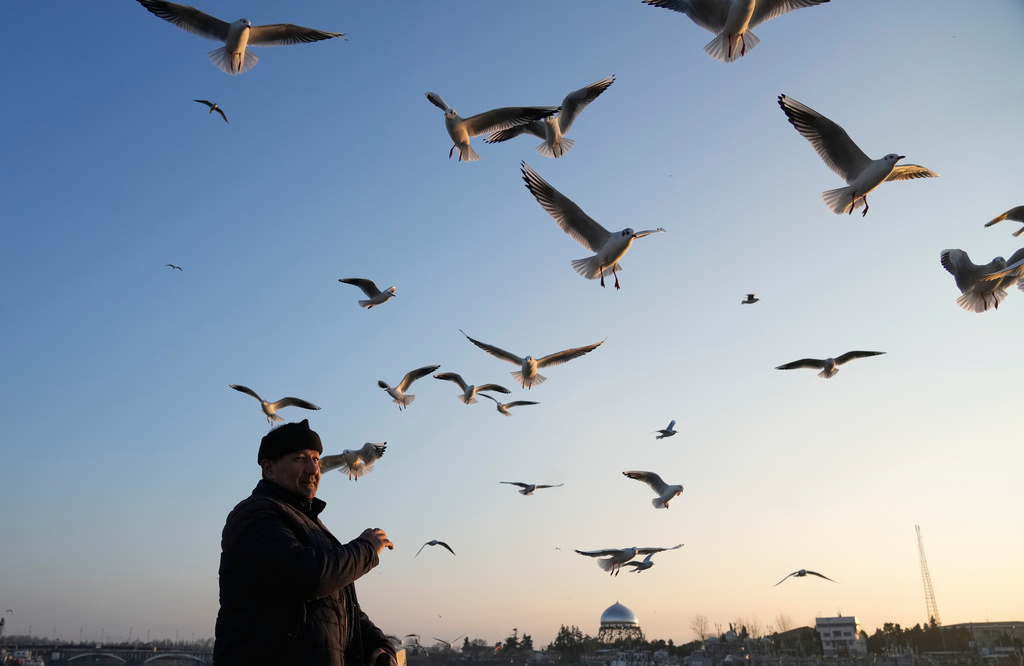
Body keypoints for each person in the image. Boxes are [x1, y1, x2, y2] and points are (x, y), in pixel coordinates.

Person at [214, 419, 397, 666]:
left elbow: (338, 604)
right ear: (268, 469)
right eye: (300, 459)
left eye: (316, 459)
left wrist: (377, 646)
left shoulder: (312, 524)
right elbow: (308, 577)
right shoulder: (254, 516)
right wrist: (365, 549)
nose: (313, 470)